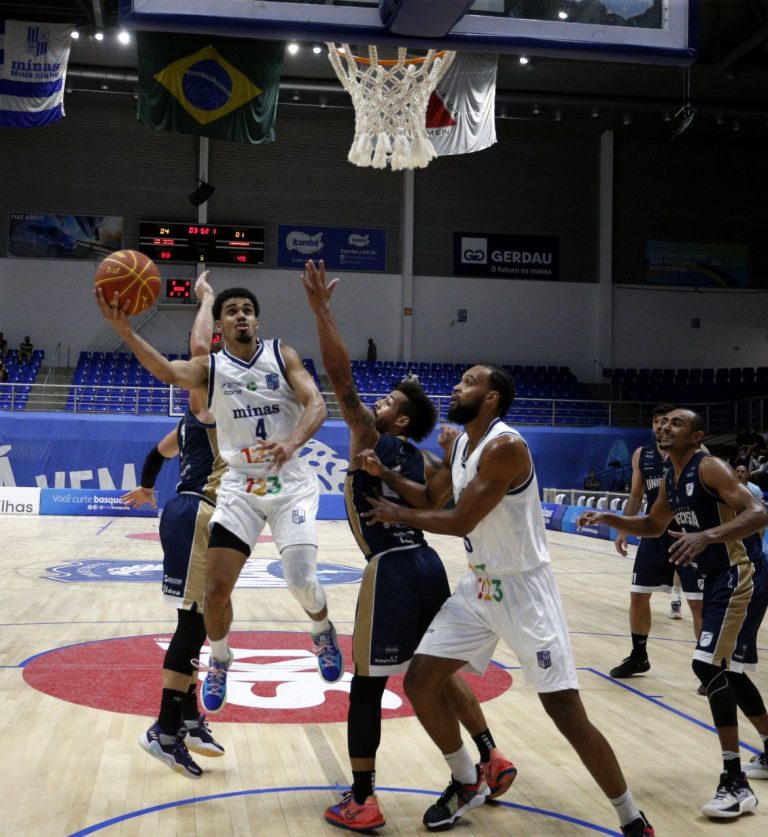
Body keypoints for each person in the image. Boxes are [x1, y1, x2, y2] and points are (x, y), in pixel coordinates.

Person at [361, 364, 652, 836]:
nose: (457, 387)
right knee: (420, 681)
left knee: (565, 712)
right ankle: (466, 780)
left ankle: (631, 817)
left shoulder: (505, 447)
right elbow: (432, 500)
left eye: (469, 382)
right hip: (479, 586)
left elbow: (458, 520)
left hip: (523, 590)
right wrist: (390, 475)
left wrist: (397, 513)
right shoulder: (461, 444)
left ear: (492, 397)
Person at [301, 261, 516, 832]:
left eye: (390, 401)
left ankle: (363, 798)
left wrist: (322, 312)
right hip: (428, 565)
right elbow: (439, 502)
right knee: (435, 670)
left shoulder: (369, 438)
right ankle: (491, 756)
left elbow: (340, 377)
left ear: (399, 421)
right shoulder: (428, 462)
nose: (377, 402)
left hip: (392, 569)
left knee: (366, 686)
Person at [96, 275, 343, 717]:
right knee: (214, 591)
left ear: (257, 321)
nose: (240, 315)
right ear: (221, 325)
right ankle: (221, 658)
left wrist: (291, 443)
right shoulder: (211, 369)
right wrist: (126, 332)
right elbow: (168, 371)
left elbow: (317, 404)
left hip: (289, 485)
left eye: (247, 310)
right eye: (231, 311)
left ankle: (322, 629)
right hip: (240, 487)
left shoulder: (282, 355)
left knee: (301, 581)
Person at [578, 408, 768, 820]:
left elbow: (758, 513)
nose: (665, 426)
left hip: (738, 572)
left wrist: (707, 535)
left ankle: (735, 783)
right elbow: (653, 524)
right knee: (730, 672)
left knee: (709, 666)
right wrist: (609, 518)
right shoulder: (670, 477)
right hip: (716, 575)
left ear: (697, 436)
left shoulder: (710, 467)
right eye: (663, 423)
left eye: (676, 423)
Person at [123, 272, 226, 779]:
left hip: (195, 514)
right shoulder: (207, 408)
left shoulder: (186, 425)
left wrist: (146, 486)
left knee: (201, 620)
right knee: (193, 624)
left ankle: (186, 717)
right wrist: (206, 298)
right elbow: (200, 349)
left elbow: (155, 454)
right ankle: (164, 730)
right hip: (194, 512)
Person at [610, 404, 703, 678]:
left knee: (697, 603)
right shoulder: (642, 454)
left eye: (668, 421)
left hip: (687, 534)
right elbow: (636, 495)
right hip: (654, 533)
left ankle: (707, 667)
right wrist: (623, 529)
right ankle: (639, 656)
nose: (662, 426)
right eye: (657, 421)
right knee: (638, 595)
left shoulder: (699, 455)